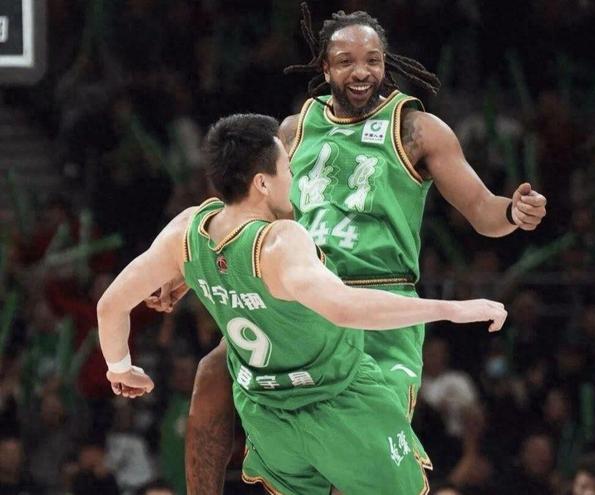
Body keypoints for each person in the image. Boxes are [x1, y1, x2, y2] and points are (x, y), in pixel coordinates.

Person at [151, 5, 547, 491]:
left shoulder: (416, 129)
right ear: (325, 68)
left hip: (379, 299)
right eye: (346, 61)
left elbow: (483, 211)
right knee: (214, 371)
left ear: (385, 63)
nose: (361, 71)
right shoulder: (293, 130)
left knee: (360, 456)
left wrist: (513, 212)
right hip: (301, 293)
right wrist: (183, 269)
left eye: (372, 60)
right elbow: (246, 211)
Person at [98, 113, 508, 494]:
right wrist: (453, 310)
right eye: (288, 169)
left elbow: (110, 306)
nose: (293, 178)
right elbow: (345, 308)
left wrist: (120, 367)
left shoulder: (185, 232)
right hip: (338, 404)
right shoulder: (280, 241)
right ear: (263, 183)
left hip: (268, 417)